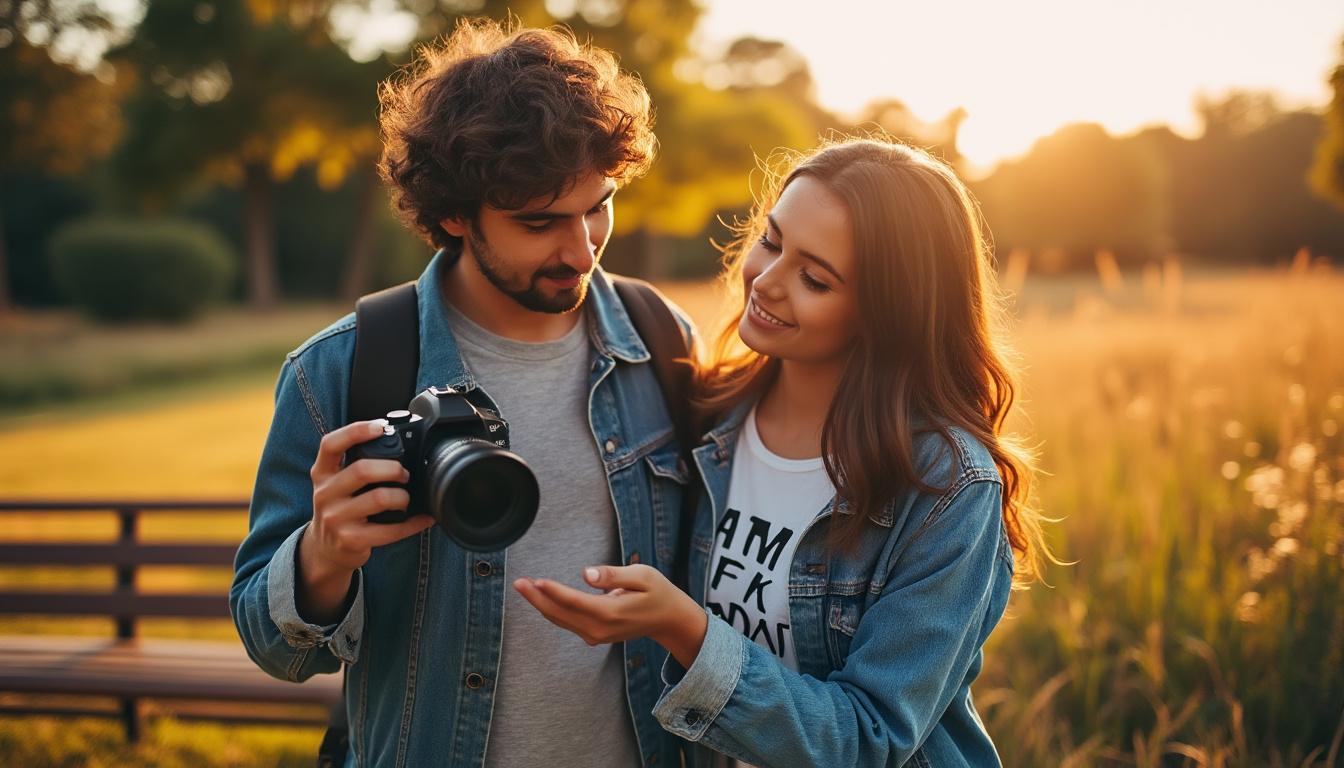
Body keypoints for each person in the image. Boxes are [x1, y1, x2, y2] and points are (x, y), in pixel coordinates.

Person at [230, 19, 694, 768]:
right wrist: (321, 556)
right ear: (453, 214)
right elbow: (275, 649)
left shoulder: (662, 340)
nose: (581, 250)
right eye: (539, 222)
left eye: (599, 206)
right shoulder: (339, 371)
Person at [516, 137, 1053, 766]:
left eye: (814, 278)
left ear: (888, 311)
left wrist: (685, 629)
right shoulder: (708, 414)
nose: (765, 282)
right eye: (770, 242)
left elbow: (869, 740)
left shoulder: (945, 487)